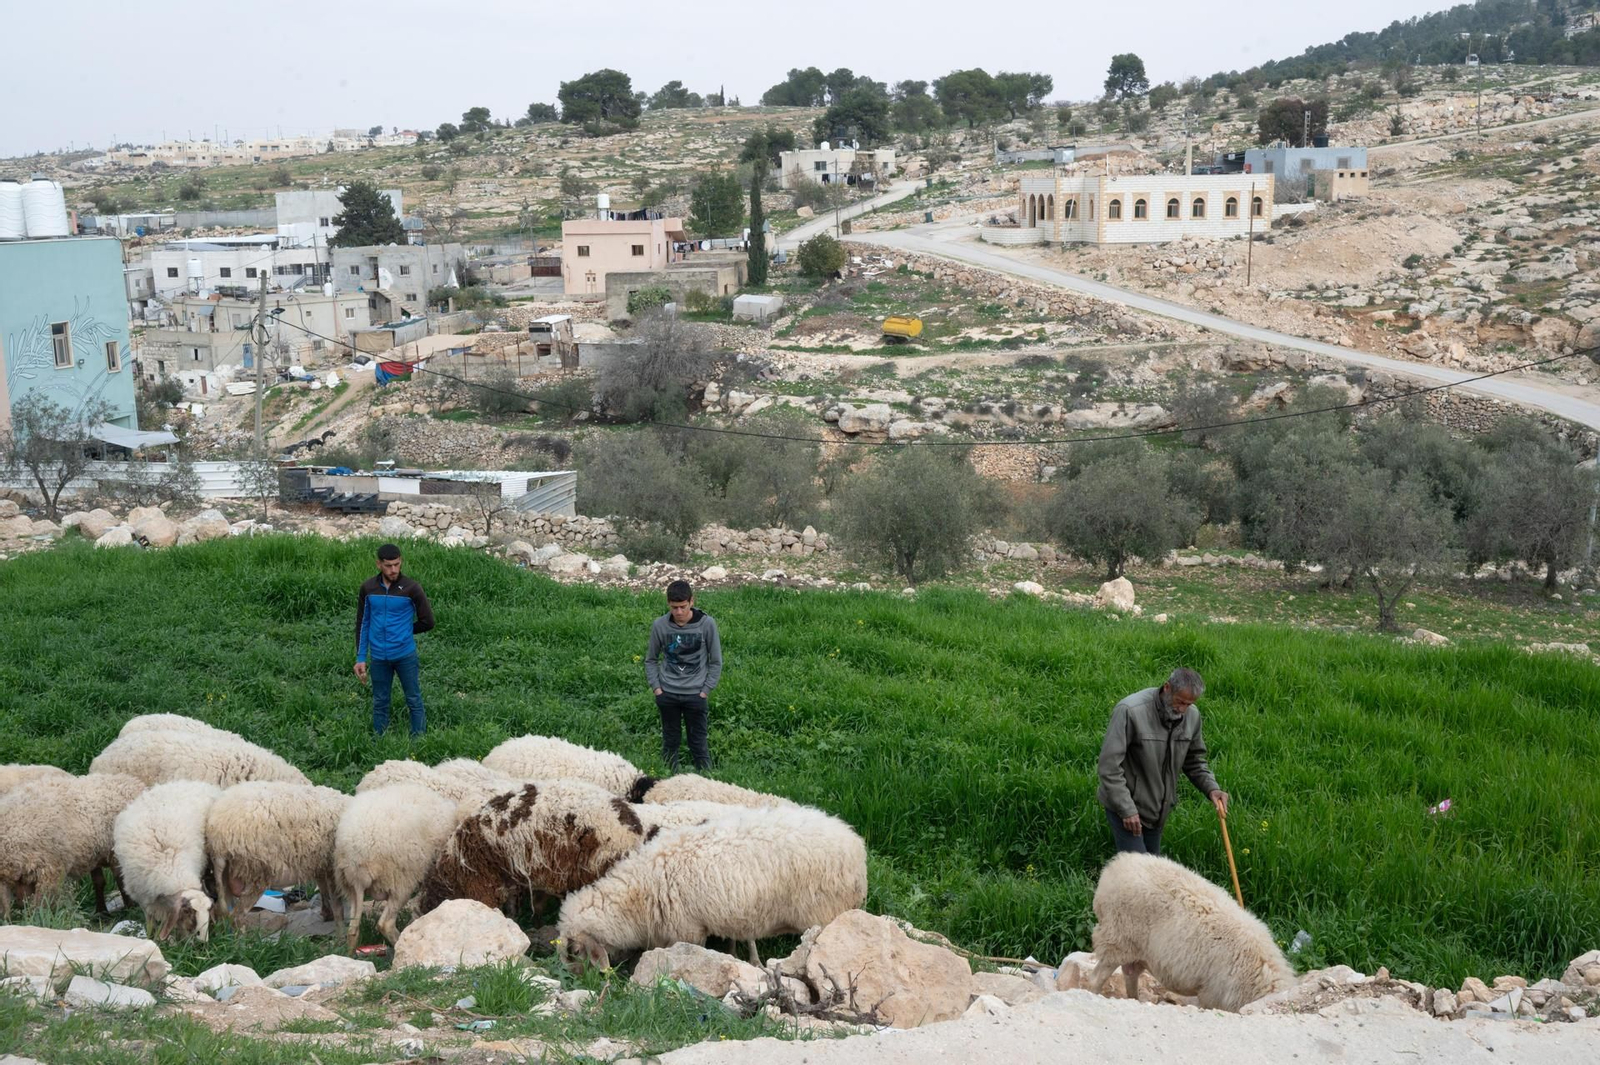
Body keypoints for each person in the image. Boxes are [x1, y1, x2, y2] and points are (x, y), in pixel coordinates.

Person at [1096, 667, 1228, 857]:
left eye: (1189, 704)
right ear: (1167, 688)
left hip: (1158, 810)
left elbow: (1195, 761)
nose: (1182, 709)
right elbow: (1109, 767)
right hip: (1126, 806)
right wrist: (1126, 810)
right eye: (1180, 702)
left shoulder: (1192, 716)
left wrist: (1212, 788)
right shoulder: (1130, 711)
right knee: (1139, 877)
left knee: (1153, 871)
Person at [354, 543, 435, 737]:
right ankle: (379, 741)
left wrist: (405, 631)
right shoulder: (368, 588)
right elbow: (363, 623)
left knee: (413, 699)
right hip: (379, 657)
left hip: (405, 654)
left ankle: (419, 741)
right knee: (380, 701)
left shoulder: (411, 588)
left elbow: (428, 621)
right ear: (378, 564)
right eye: (389, 565)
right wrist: (361, 657)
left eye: (397, 564)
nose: (393, 570)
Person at [643, 579, 722, 772]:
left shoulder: (707, 624)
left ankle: (706, 782)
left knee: (698, 743)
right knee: (670, 741)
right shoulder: (660, 625)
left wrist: (705, 690)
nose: (678, 612)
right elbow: (651, 659)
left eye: (683, 607)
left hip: (695, 694)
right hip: (667, 693)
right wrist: (657, 688)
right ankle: (668, 781)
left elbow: (716, 660)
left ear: (692, 602)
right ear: (668, 604)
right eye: (674, 607)